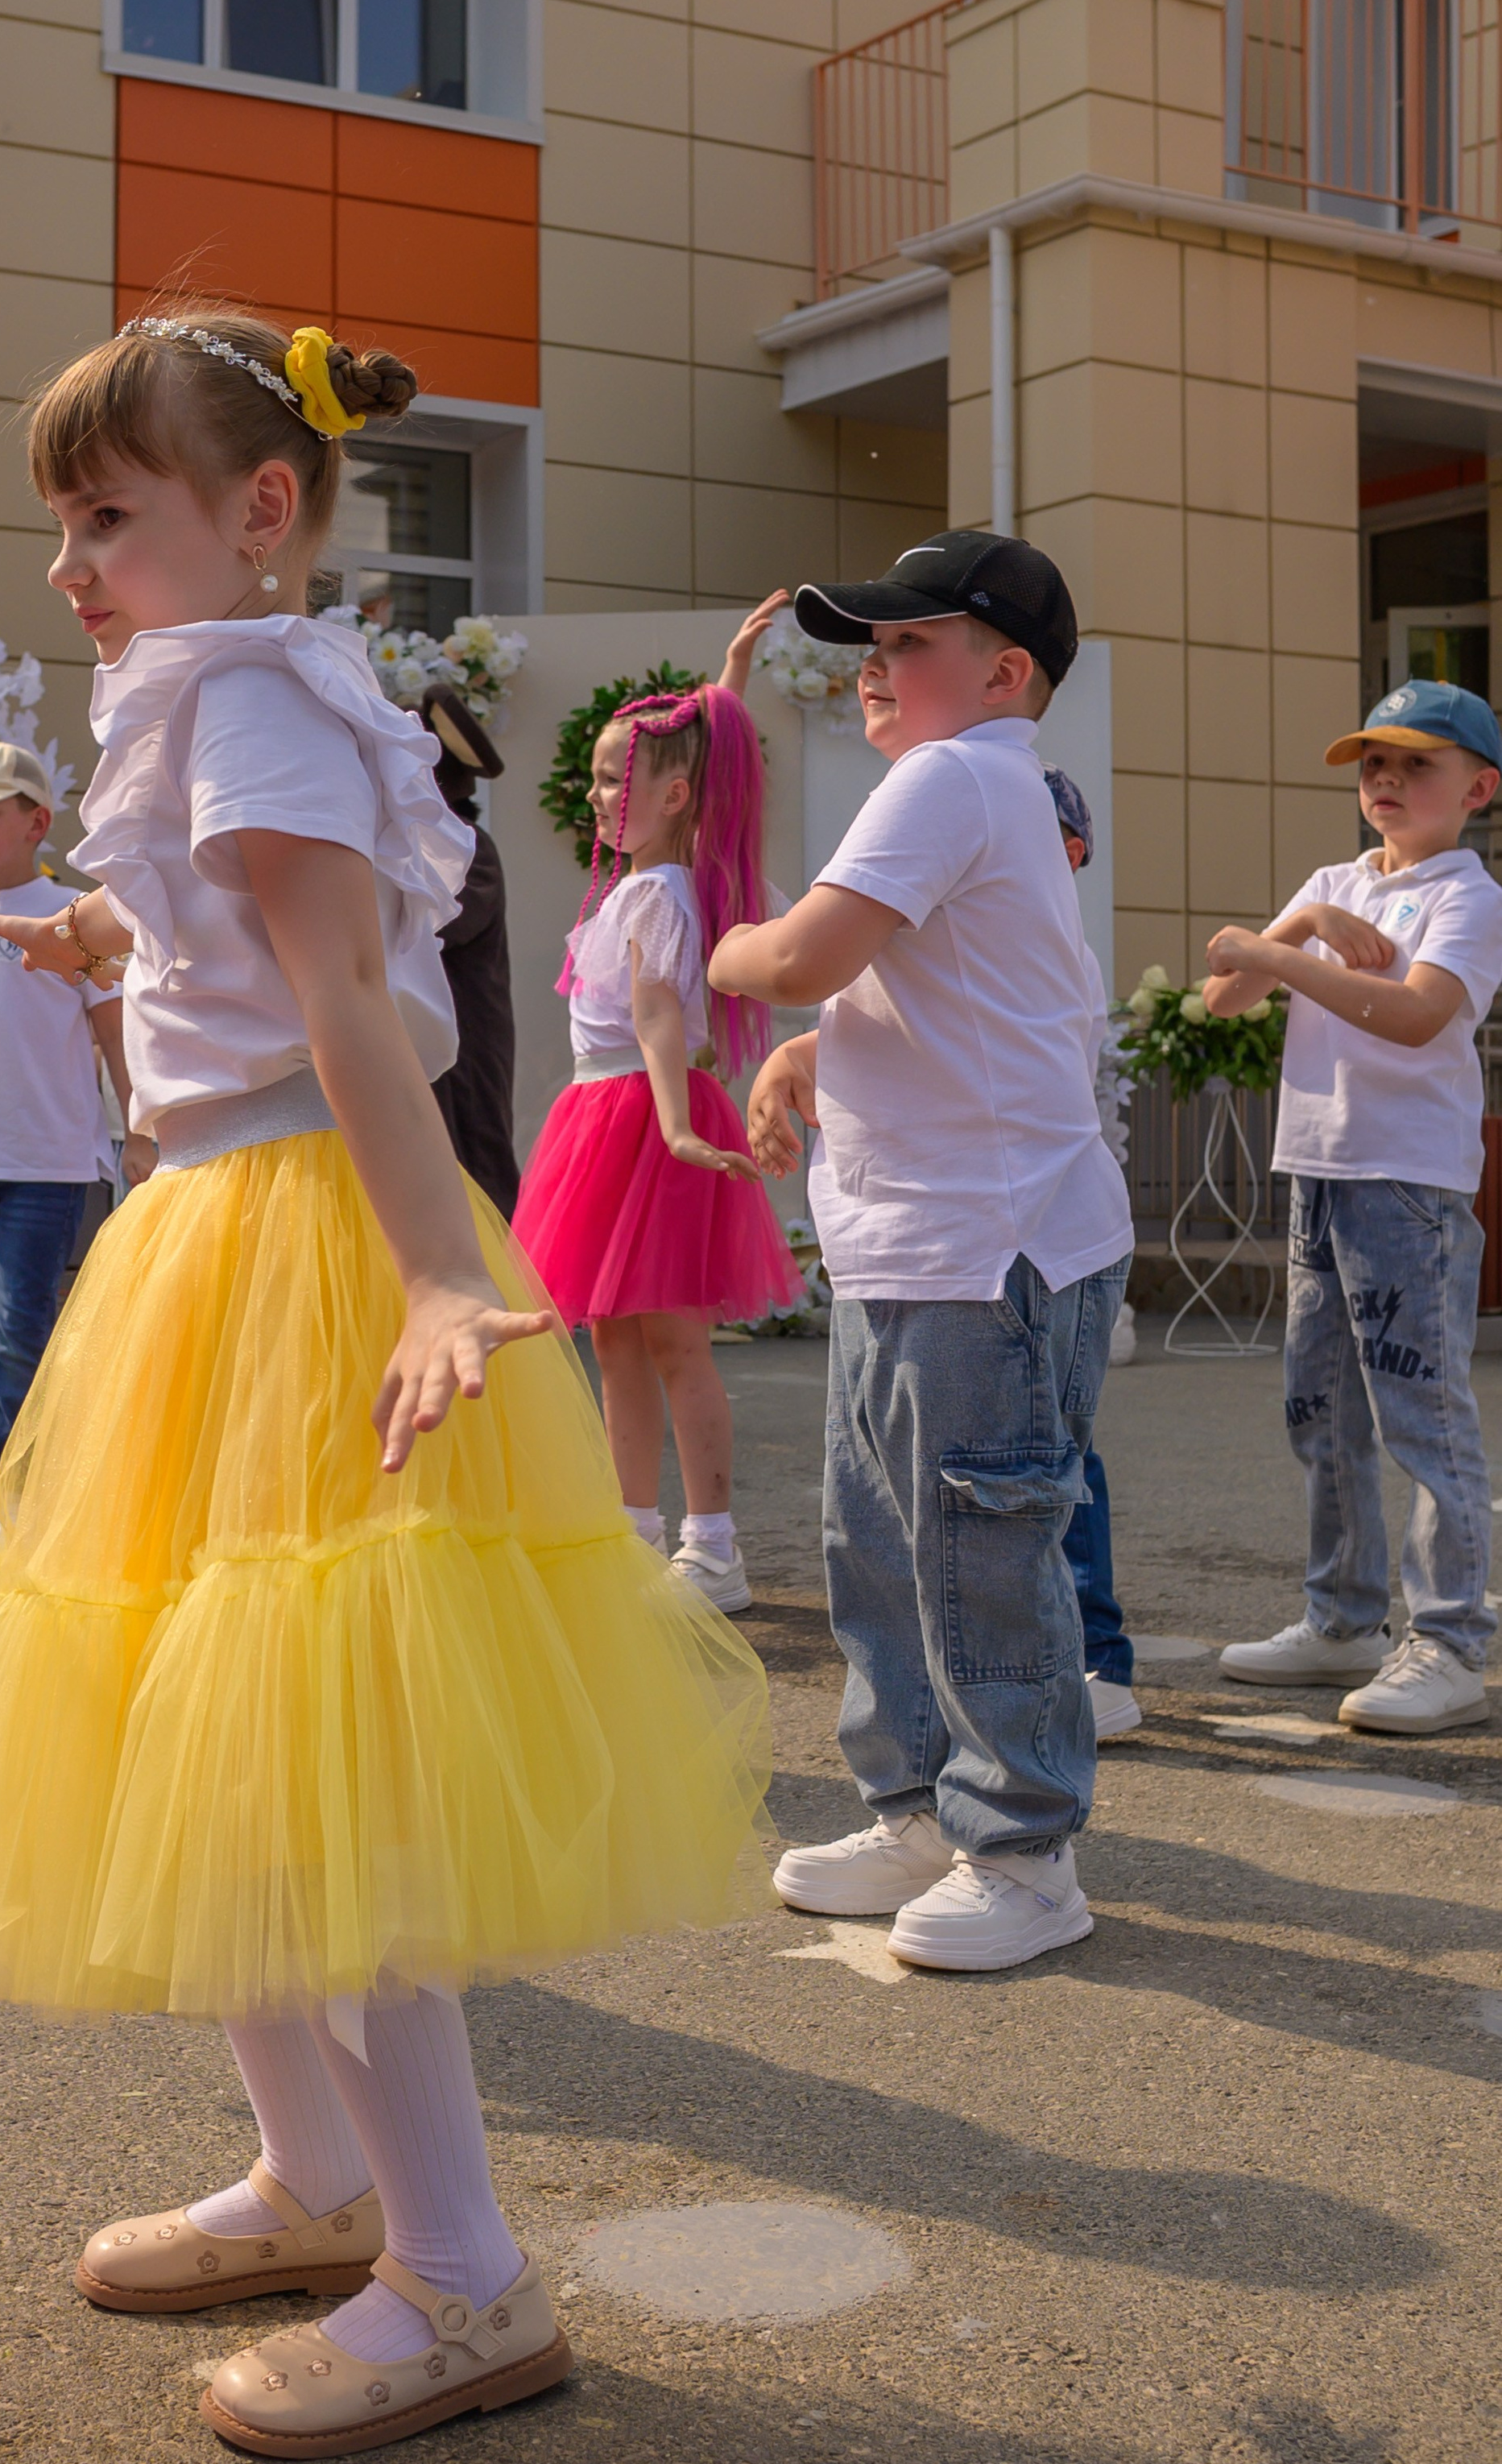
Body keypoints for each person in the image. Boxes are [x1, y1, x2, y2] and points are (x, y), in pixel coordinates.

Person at [0, 305, 770, 2461]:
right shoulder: (217, 691)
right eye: (59, 520)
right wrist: (113, 943)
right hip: (222, 1230)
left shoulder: (247, 696)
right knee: (211, 1731)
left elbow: (353, 992)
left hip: (299, 1243)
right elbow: (257, 960)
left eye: (107, 517)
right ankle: (321, 2179)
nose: (69, 566)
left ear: (259, 510)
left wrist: (444, 1269)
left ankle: (459, 2269)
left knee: (309, 1748)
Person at [719, 529, 1133, 1973]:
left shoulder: (953, 777)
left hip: (984, 1255)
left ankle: (1022, 1850)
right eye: (872, 644)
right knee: (886, 1545)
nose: (873, 670)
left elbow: (797, 952)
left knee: (976, 1553)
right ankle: (916, 1810)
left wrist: (712, 946)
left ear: (1004, 671)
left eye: (907, 644)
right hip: (927, 1247)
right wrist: (818, 1049)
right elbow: (977, 998)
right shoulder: (987, 792)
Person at [1202, 681, 1502, 1735]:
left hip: (1408, 1184)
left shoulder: (1468, 894)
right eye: (1373, 760)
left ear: (1479, 786)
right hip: (1321, 1172)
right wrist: (1305, 921)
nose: (1385, 778)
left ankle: (1454, 1639)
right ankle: (1343, 1617)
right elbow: (1220, 993)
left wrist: (1274, 947)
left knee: (1422, 1412)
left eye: (1416, 762)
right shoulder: (1336, 882)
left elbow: (1418, 1014)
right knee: (1318, 1406)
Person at [512, 669, 802, 1616]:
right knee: (624, 1345)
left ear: (671, 796)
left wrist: (674, 1126)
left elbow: (655, 1018)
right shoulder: (663, 883)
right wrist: (728, 678)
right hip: (617, 1117)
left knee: (671, 1344)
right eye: (596, 778)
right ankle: (637, 1535)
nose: (595, 795)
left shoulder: (650, 895)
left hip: (640, 1119)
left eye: (611, 779)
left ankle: (708, 1550)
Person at [0, 739, 143, 1558]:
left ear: (36, 821)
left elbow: (115, 1027)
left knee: (21, 1326)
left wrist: (140, 1131)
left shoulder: (73, 917)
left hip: (49, 1165)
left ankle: (17, 1491)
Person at [1041, 763, 1140, 1745]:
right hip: (1006, 1235)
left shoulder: (1056, 952)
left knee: (1058, 1452)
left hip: (1054, 1235)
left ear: (1071, 853)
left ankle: (1096, 1656)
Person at [418, 686, 520, 1218]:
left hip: (463, 1058)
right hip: (427, 1054)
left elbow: (425, 927)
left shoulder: (468, 848)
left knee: (474, 1186)